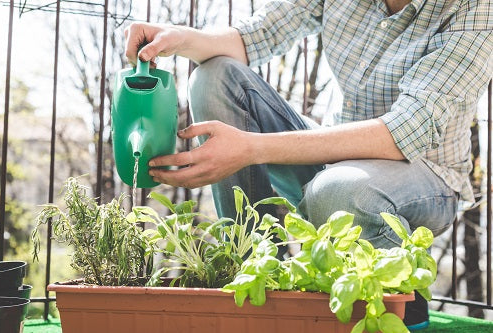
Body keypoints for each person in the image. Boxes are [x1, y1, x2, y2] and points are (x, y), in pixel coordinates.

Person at [124, 0, 492, 329]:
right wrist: (178, 39)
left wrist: (252, 148)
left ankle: (400, 294)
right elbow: (257, 35)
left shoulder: (474, 9)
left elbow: (407, 129)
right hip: (339, 162)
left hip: (426, 176)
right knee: (214, 76)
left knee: (339, 191)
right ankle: (254, 274)